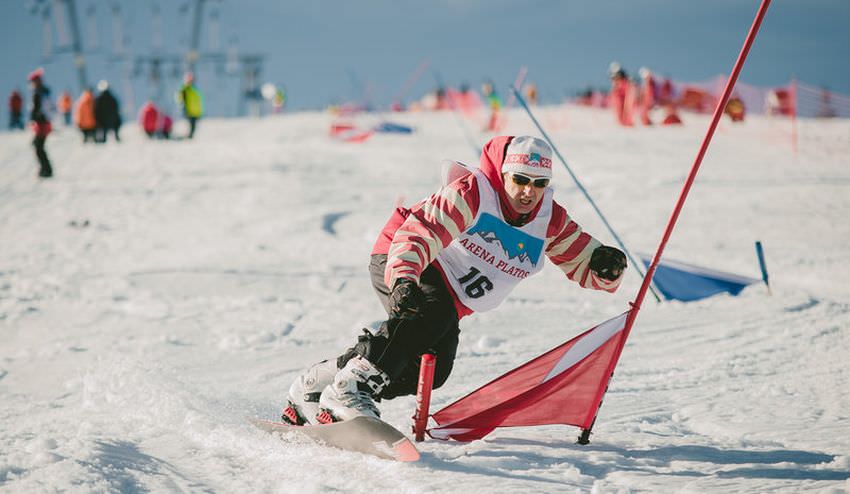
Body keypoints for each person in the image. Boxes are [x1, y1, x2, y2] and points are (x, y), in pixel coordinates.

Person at [282, 135, 627, 425]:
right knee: (432, 311)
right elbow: (420, 233)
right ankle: (351, 389)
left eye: (539, 184)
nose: (528, 192)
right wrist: (404, 279)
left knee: (432, 371)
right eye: (520, 180)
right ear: (504, 174)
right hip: (406, 257)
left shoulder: (549, 220)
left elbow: (580, 257)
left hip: (449, 295)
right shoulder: (474, 193)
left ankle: (316, 383)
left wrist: (603, 265)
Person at [28, 68, 53, 178]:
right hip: (41, 123)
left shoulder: (40, 93)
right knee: (39, 146)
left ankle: (46, 170)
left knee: (39, 147)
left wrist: (38, 117)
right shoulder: (41, 92)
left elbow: (44, 108)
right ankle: (45, 169)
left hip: (42, 124)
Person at [177, 72, 203, 138]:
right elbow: (180, 99)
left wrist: (199, 111)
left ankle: (189, 136)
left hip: (195, 112)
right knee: (191, 126)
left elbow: (198, 101)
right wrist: (183, 107)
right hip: (189, 111)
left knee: (193, 127)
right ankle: (187, 136)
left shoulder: (193, 89)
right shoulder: (185, 89)